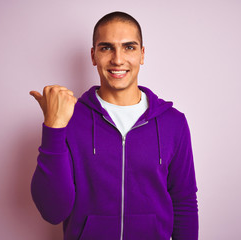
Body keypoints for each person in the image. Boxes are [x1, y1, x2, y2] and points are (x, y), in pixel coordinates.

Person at [30, 11, 198, 240]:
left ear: (142, 54)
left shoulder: (173, 123)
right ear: (93, 55)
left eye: (129, 47)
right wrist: (53, 127)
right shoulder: (68, 118)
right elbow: (52, 210)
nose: (118, 59)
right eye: (106, 47)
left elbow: (184, 202)